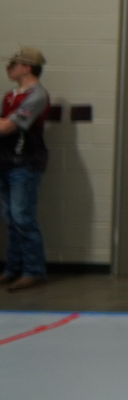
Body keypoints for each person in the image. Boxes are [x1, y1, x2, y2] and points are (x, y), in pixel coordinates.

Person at [0, 48, 50, 292]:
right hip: (6, 162)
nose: (8, 68)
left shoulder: (37, 95)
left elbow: (8, 127)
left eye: (14, 64)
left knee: (22, 217)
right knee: (11, 219)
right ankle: (13, 268)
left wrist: (5, 124)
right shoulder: (10, 96)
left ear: (26, 67)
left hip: (25, 163)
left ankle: (33, 270)